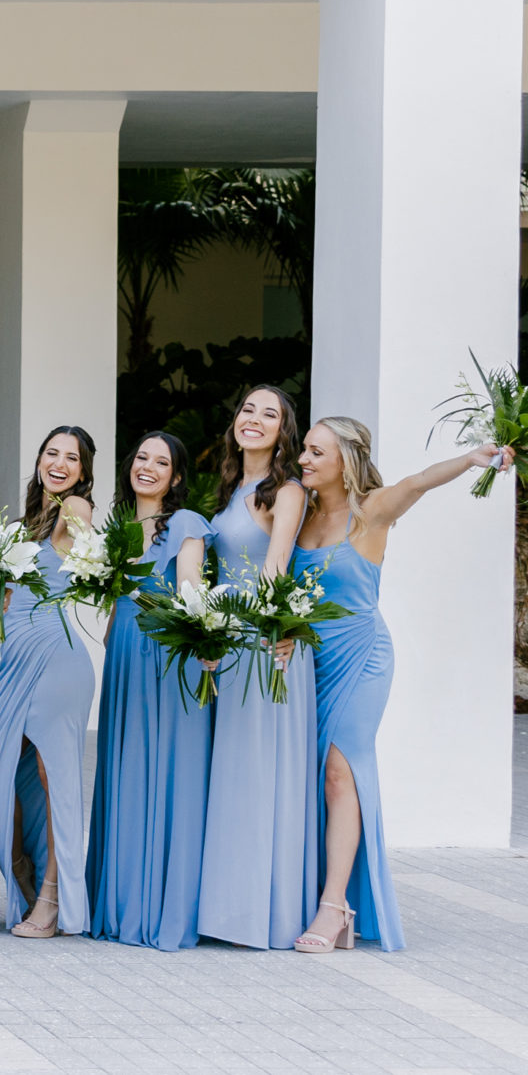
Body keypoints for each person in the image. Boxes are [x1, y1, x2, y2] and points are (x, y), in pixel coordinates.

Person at [289, 418, 508, 954]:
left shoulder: (373, 509)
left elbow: (418, 481)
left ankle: (334, 906)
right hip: (309, 661)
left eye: (317, 452)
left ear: (346, 460)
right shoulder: (300, 513)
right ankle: (315, 892)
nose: (304, 460)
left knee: (342, 773)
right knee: (313, 776)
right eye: (304, 452)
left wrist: (469, 461)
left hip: (361, 656)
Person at [196, 386, 319, 950]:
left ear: (283, 431)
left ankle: (261, 916)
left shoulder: (286, 490)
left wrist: (268, 629)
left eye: (270, 414)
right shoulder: (231, 488)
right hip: (232, 643)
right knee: (235, 775)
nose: (255, 419)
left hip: (266, 646)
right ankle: (230, 911)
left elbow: (275, 569)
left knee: (260, 775)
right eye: (248, 409)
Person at [86, 430, 212, 950]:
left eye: (162, 463)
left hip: (168, 654)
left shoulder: (184, 524)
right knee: (127, 768)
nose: (149, 467)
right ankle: (119, 904)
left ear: (176, 477)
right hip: (124, 658)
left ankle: (163, 907)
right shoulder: (116, 526)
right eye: (142, 458)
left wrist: (204, 638)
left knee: (167, 771)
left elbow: (191, 590)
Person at [0, 424, 98, 939]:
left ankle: (52, 898)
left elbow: (90, 547)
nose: (59, 463)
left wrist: (88, 539)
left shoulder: (76, 509)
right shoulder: (28, 521)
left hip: (56, 656)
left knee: (55, 780)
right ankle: (23, 869)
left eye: (71, 458)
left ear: (83, 471)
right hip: (16, 661)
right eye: (52, 453)